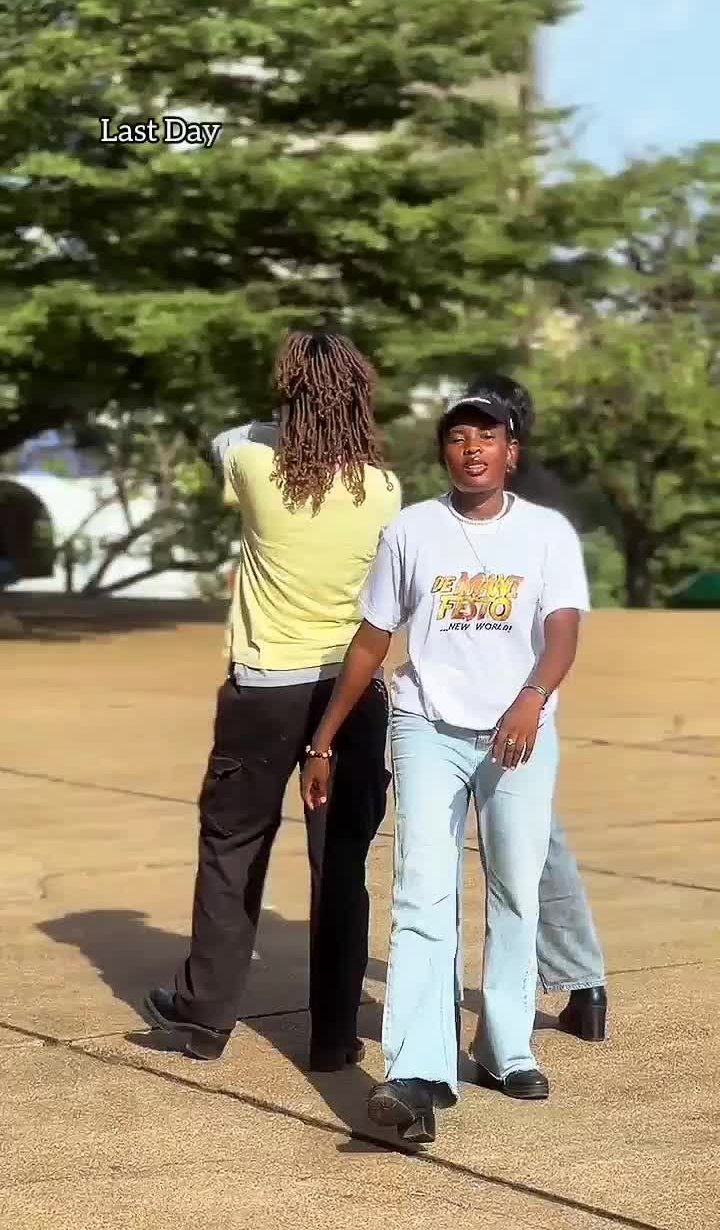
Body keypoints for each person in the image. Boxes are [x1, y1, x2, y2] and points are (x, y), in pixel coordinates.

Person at [302, 386, 593, 1143]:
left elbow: (563, 630)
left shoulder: (547, 534)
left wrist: (531, 699)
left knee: (515, 889)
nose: (473, 449)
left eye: (487, 437)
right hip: (426, 726)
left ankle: (505, 1048)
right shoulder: (412, 530)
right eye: (459, 437)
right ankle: (417, 1071)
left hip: (520, 731)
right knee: (422, 892)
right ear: (444, 452)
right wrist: (324, 738)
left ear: (511, 453)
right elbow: (373, 636)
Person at [145, 331, 401, 1071]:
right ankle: (333, 1038)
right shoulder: (385, 488)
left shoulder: (254, 462)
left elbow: (226, 439)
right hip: (351, 692)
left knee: (233, 848)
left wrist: (290, 413)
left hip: (264, 688)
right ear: (360, 400)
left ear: (289, 396)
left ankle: (205, 1018)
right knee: (340, 863)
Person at [466, 375, 607, 1042]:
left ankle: (579, 981)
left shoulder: (520, 507)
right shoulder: (542, 499)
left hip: (512, 698)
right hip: (520, 692)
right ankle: (583, 984)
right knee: (538, 840)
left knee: (529, 847)